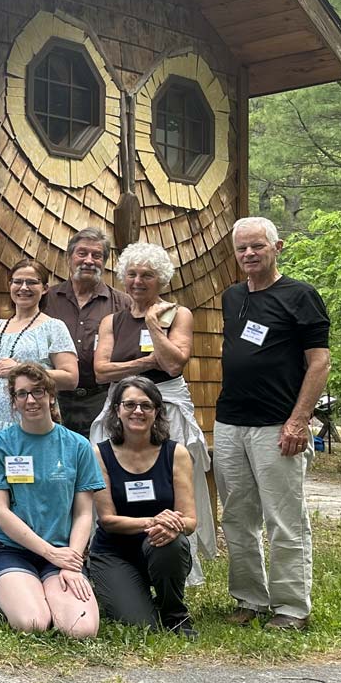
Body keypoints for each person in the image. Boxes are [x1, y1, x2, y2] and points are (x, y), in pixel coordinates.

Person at [215, 217, 329, 631]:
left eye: (257, 246)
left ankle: (291, 606)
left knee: (284, 518)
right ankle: (250, 599)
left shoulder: (300, 295)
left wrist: (299, 421)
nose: (249, 254)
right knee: (237, 517)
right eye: (242, 248)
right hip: (230, 423)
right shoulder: (232, 296)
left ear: (276, 247)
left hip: (277, 426)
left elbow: (319, 362)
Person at [91, 241, 215, 583]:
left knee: (170, 482)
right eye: (131, 274)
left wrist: (153, 325)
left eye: (147, 275)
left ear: (161, 279)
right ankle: (117, 558)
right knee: (114, 479)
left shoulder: (179, 314)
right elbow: (101, 371)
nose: (137, 281)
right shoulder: (111, 321)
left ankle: (176, 566)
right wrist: (146, 362)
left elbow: (174, 364)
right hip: (122, 407)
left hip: (166, 408)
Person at [0, 363, 103, 638]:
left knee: (81, 630)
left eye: (37, 392)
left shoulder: (78, 446)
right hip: (12, 550)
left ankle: (44, 593)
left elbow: (84, 513)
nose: (31, 400)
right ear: (14, 402)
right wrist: (50, 553)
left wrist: (71, 562)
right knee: (33, 623)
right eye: (22, 394)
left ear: (51, 395)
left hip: (62, 551)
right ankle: (15, 597)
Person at [89, 377, 197, 637]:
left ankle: (175, 613)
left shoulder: (176, 453)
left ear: (157, 412)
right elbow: (107, 520)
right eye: (129, 405)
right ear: (117, 410)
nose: (138, 411)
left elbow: (191, 521)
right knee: (141, 626)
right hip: (114, 553)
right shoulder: (99, 454)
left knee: (172, 542)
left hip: (160, 547)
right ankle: (120, 591)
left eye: (146, 405)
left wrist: (171, 526)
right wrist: (156, 522)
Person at [41, 227, 132, 435]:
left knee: (99, 461)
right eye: (82, 253)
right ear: (69, 257)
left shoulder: (122, 304)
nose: (89, 260)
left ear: (105, 262)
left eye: (97, 255)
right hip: (53, 398)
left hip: (102, 400)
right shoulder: (47, 300)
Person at [0, 260, 77, 436]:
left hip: (28, 424)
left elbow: (71, 378)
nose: (23, 287)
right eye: (17, 281)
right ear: (10, 285)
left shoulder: (53, 327)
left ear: (44, 288)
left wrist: (20, 370)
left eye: (31, 282)